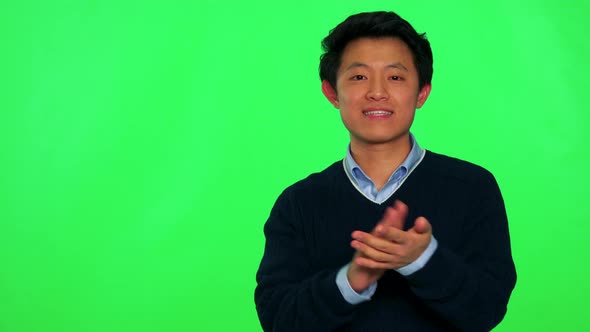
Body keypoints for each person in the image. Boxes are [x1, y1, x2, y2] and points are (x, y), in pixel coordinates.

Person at [254, 11, 516, 332]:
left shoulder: (473, 187)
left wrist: (422, 260)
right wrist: (352, 281)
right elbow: (278, 321)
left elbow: (487, 310)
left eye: (395, 77)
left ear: (422, 92)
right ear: (331, 92)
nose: (377, 92)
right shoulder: (299, 202)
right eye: (359, 77)